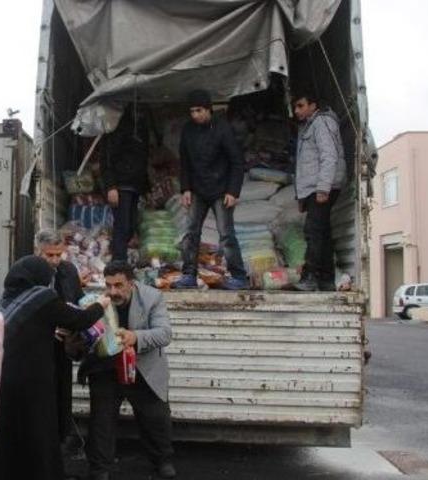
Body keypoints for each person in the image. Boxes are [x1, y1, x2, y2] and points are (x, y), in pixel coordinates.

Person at [0, 255, 108, 480]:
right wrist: (101, 305)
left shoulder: (5, 300)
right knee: (37, 432)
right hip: (32, 381)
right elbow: (79, 320)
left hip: (1, 378)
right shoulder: (42, 298)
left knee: (3, 432)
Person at [79, 261, 175, 480]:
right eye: (109, 285)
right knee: (101, 420)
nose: (113, 292)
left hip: (143, 365)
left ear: (131, 283)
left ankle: (162, 460)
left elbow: (164, 334)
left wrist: (135, 337)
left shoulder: (152, 297)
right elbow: (86, 335)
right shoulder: (96, 301)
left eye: (119, 285)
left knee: (155, 417)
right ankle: (99, 469)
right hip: (106, 366)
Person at [173, 89, 248, 290]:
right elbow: (185, 162)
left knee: (226, 234)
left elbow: (237, 162)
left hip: (221, 191)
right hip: (197, 189)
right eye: (192, 111)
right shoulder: (188, 130)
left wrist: (233, 191)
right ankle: (188, 275)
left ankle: (240, 277)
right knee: (191, 233)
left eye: (199, 110)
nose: (195, 115)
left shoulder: (223, 129)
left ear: (208, 109)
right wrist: (185, 188)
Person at [34, 229, 86, 453]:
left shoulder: (68, 270)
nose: (55, 260)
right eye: (50, 255)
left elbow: (77, 298)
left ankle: (62, 438)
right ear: (39, 252)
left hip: (64, 342)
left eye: (58, 255)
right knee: (41, 393)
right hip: (37, 344)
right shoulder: (29, 272)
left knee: (63, 391)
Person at [291, 92, 347, 291]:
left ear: (313, 105)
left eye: (300, 105)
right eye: (295, 107)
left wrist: (323, 187)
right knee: (322, 232)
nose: (296, 111)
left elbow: (329, 156)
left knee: (313, 231)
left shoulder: (322, 122)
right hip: (314, 188)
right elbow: (304, 165)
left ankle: (310, 277)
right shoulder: (309, 125)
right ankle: (326, 279)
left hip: (323, 187)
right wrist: (301, 195)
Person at [102, 103, 158, 262]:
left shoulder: (142, 131)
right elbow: (107, 159)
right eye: (137, 109)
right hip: (120, 186)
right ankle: (119, 261)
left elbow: (143, 161)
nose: (140, 113)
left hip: (134, 186)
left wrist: (146, 188)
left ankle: (119, 259)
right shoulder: (118, 129)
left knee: (131, 226)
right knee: (123, 226)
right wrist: (111, 186)